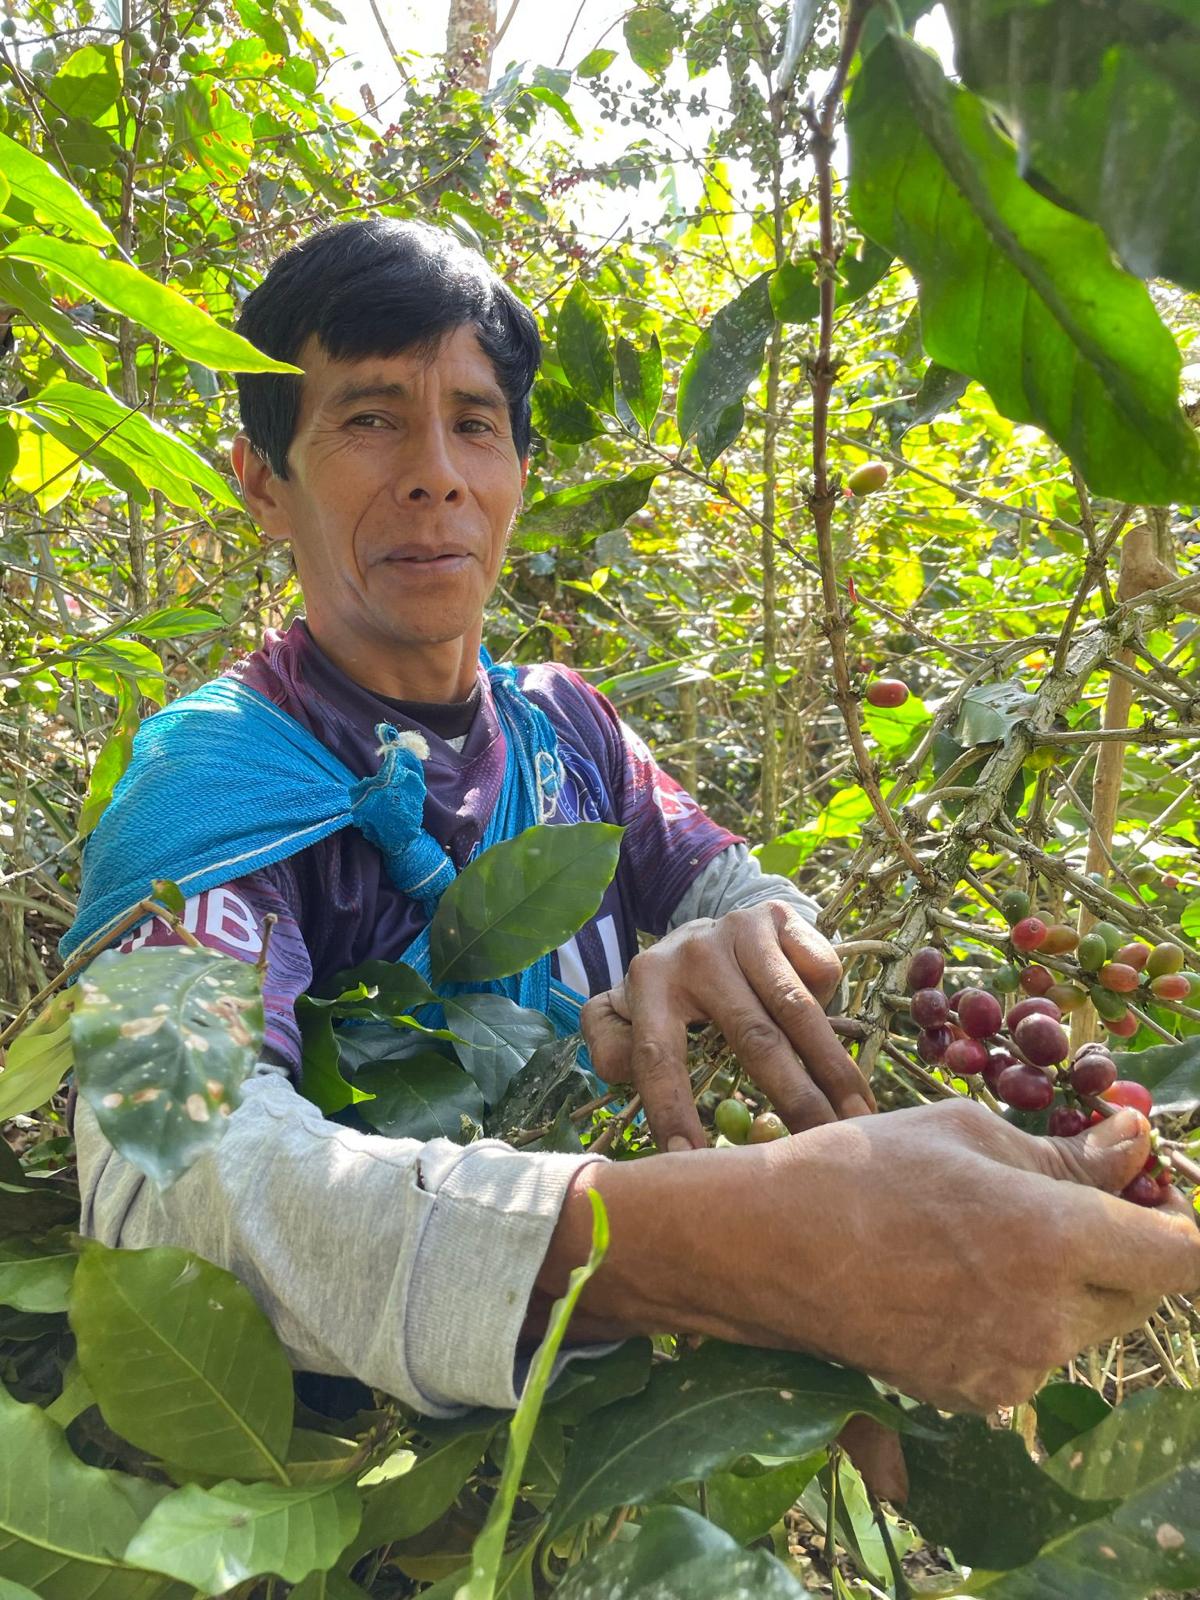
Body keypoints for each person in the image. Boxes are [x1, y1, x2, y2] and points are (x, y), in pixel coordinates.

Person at [69, 221, 1200, 1439]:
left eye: (475, 423)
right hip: (349, 1468)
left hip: (622, 1426)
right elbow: (164, 1168)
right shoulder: (203, 781)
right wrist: (720, 1250)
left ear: (518, 471)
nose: (436, 473)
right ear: (261, 480)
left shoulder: (568, 727)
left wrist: (755, 938)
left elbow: (740, 888)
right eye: (370, 418)